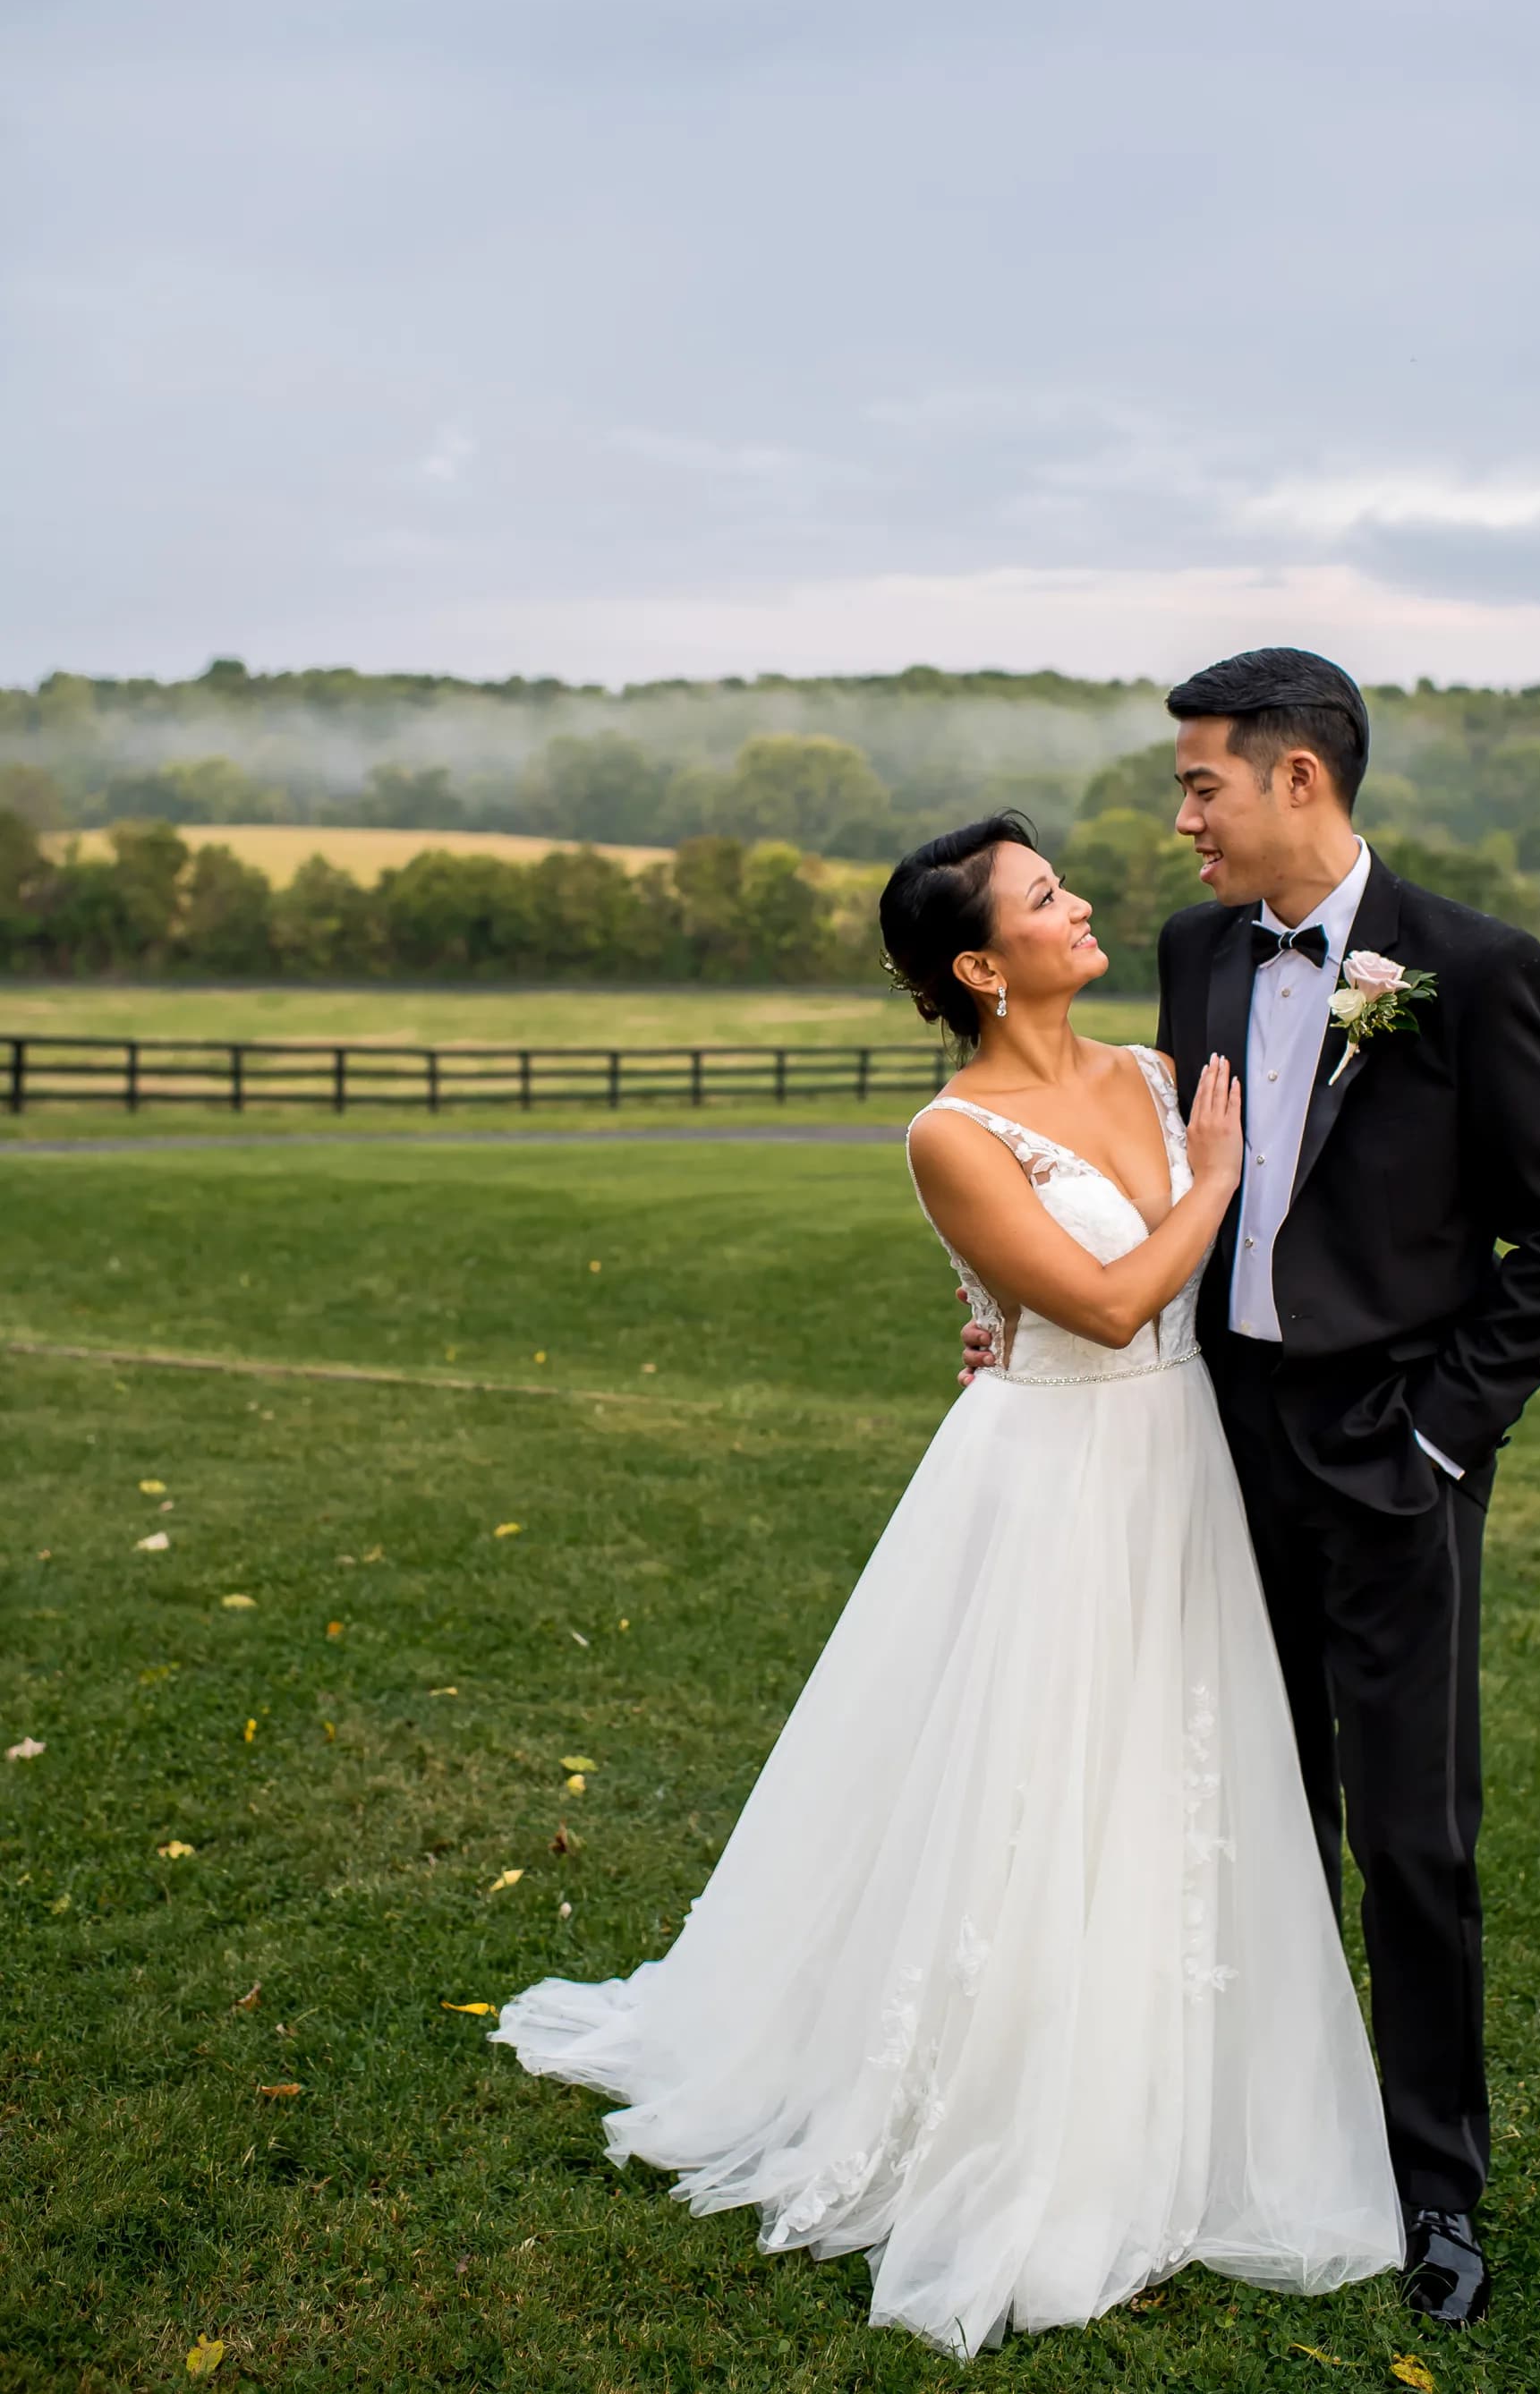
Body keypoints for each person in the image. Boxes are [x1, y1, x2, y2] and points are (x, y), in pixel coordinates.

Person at [493, 811, 1404, 2357]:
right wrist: (1217, 1180)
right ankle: (1006, 2091)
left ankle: (1164, 2068)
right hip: (1051, 1472)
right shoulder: (953, 1135)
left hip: (1181, 1461)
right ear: (982, 967)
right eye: (1046, 897)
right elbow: (1106, 1305)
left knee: (1162, 1765)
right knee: (1032, 1775)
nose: (1082, 902)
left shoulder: (1152, 1072)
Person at [962, 648, 1540, 2328]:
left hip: (1395, 1464)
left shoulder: (1473, 968)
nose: (1182, 819)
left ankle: (1434, 2186)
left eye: (1201, 785)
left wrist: (1441, 1439)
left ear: (1295, 777)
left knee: (1413, 1839)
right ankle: (1261, 2137)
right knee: (1245, 1809)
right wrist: (1024, 1314)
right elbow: (1146, 1178)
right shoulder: (1195, 955)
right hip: (1209, 1448)